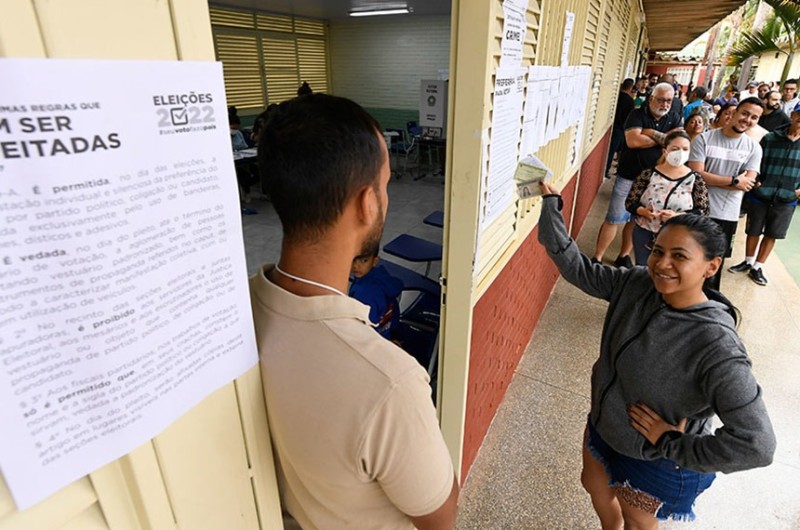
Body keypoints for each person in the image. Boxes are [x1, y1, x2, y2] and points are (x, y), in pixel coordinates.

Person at [251, 93, 458, 530]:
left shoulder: (241, 310)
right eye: (385, 185)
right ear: (367, 203)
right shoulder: (389, 382)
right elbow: (441, 518)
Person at [537, 182, 776, 528]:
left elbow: (757, 445)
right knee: (594, 485)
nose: (662, 264)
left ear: (711, 267)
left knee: (637, 522)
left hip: (655, 458)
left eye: (679, 256)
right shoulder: (635, 283)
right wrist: (550, 205)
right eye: (657, 251)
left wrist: (672, 443)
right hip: (605, 427)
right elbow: (576, 268)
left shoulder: (715, 344)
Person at [592, 83, 683, 267]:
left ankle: (623, 256)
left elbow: (676, 143)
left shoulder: (673, 117)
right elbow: (633, 141)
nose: (665, 104)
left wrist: (650, 133)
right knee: (614, 218)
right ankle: (598, 257)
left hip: (652, 181)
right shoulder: (636, 114)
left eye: (669, 100)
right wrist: (663, 137)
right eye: (661, 100)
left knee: (636, 220)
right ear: (651, 99)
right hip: (628, 176)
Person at [688, 97, 764, 290]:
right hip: (698, 209)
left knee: (714, 265)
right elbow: (696, 175)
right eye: (744, 113)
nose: (747, 119)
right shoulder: (704, 139)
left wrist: (715, 179)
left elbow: (748, 183)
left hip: (727, 214)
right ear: (734, 112)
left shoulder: (754, 148)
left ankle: (708, 302)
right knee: (690, 257)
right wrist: (735, 180)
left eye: (754, 117)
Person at [729, 102, 800, 286]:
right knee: (753, 229)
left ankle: (758, 266)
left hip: (787, 197)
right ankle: (748, 261)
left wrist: (797, 191)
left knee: (772, 233)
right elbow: (756, 161)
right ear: (793, 115)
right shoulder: (770, 138)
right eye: (799, 115)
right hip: (761, 193)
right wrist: (757, 182)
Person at [625, 131, 709, 265]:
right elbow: (630, 202)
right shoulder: (649, 173)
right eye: (675, 149)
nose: (680, 153)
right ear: (665, 151)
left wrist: (677, 216)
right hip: (645, 233)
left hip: (678, 236)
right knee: (643, 269)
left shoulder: (695, 179)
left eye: (685, 149)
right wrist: (643, 211)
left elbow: (703, 211)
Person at [349, 243, 403, 339]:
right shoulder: (379, 274)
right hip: (388, 328)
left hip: (374, 337)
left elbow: (366, 324)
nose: (356, 266)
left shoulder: (367, 292)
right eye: (353, 260)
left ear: (375, 261)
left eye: (364, 260)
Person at [607, 78, 636, 177]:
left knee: (611, 150)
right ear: (631, 88)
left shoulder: (615, 96)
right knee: (617, 150)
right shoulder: (630, 101)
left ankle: (606, 170)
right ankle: (608, 170)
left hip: (613, 125)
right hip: (620, 129)